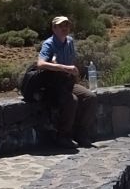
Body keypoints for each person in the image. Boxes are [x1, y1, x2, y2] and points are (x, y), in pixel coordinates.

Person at [36, 15, 96, 147]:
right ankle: (63, 136)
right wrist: (63, 67)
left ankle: (80, 133)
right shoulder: (49, 44)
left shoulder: (69, 42)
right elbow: (40, 64)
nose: (64, 28)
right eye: (61, 26)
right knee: (72, 100)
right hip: (53, 85)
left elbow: (71, 61)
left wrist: (74, 75)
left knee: (90, 97)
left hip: (68, 82)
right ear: (54, 28)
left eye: (66, 25)